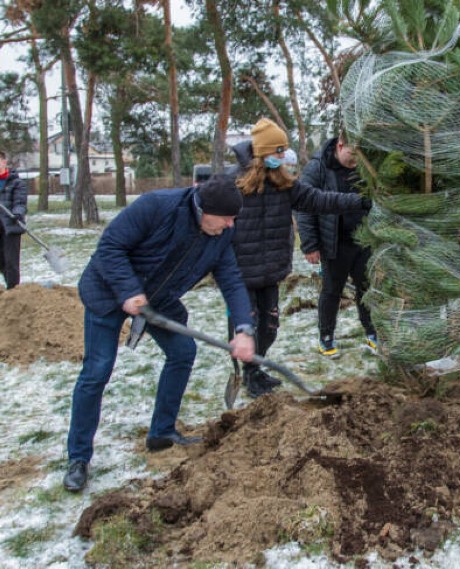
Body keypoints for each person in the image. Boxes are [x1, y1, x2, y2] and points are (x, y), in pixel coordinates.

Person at [63, 174, 257, 493]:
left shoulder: (220, 234)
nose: (230, 225)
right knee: (97, 371)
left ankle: (162, 432)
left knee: (183, 352)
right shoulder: (157, 206)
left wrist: (244, 329)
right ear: (204, 209)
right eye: (225, 218)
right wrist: (129, 290)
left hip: (158, 300)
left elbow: (232, 280)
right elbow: (111, 246)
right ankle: (78, 457)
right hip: (108, 291)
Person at [229, 119, 371, 397]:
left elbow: (320, 200)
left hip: (270, 269)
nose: (283, 157)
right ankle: (249, 373)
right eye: (278, 152)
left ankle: (255, 369)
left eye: (283, 151)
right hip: (241, 272)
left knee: (269, 329)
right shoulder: (232, 183)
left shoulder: (284, 184)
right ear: (262, 154)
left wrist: (358, 201)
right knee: (247, 327)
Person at [295, 132, 376, 358]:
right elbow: (303, 206)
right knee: (332, 291)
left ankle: (372, 332)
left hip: (363, 239)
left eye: (359, 156)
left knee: (366, 288)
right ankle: (326, 337)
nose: (355, 161)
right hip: (334, 242)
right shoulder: (318, 167)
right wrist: (310, 245)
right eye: (352, 155)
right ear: (340, 145)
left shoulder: (364, 165)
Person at [0, 151, 27, 290]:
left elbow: (20, 202)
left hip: (11, 225)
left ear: (4, 162)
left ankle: (14, 291)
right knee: (1, 262)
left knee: (11, 262)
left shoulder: (16, 183)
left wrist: (17, 213)